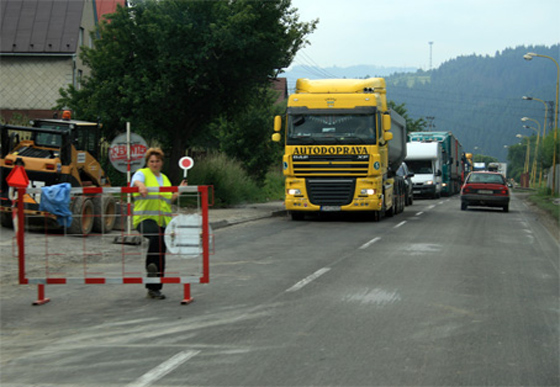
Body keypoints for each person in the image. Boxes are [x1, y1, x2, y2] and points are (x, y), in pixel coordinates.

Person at [131, 148, 187, 299]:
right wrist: (140, 185)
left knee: (161, 252)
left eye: (157, 161)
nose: (154, 164)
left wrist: (178, 192)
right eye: (151, 161)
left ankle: (154, 288)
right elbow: (135, 180)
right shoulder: (142, 173)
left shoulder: (165, 179)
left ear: (162, 162)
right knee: (156, 236)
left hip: (163, 221)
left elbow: (168, 200)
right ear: (147, 163)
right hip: (144, 219)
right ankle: (151, 267)